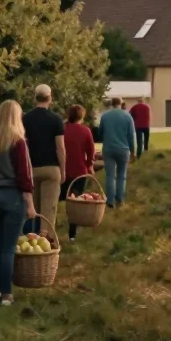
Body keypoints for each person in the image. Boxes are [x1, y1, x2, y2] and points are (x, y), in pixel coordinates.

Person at [0, 100, 37, 306]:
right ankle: (7, 294)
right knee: (9, 247)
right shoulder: (17, 141)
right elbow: (24, 175)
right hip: (12, 195)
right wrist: (30, 204)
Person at [22, 84, 66, 236]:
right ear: (50, 98)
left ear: (35, 98)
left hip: (31, 169)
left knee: (32, 209)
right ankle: (46, 239)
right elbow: (60, 147)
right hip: (51, 168)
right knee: (49, 208)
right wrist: (63, 169)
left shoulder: (25, 119)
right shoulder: (56, 119)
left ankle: (30, 239)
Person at [62, 104, 96, 242]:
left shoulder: (62, 130)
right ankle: (72, 234)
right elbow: (91, 151)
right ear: (81, 116)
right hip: (79, 171)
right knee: (75, 201)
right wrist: (90, 166)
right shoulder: (85, 131)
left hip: (63, 170)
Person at [98, 98, 137, 208]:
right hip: (123, 149)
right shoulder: (127, 116)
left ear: (112, 104)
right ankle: (120, 200)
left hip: (108, 149)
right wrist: (133, 151)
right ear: (121, 104)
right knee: (121, 175)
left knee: (110, 175)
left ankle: (110, 201)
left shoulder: (105, 116)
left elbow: (100, 132)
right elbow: (131, 136)